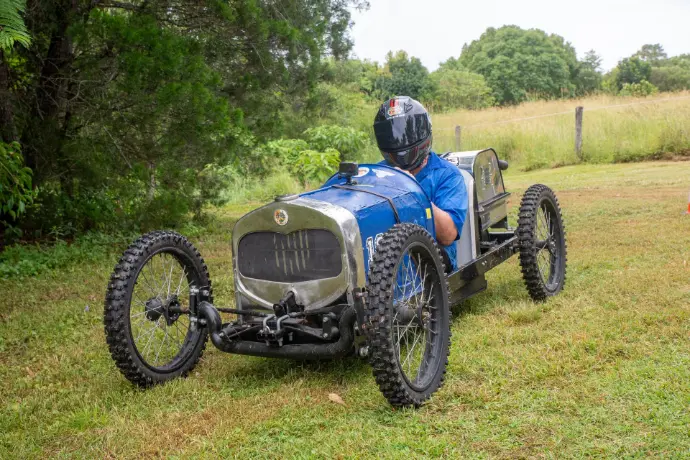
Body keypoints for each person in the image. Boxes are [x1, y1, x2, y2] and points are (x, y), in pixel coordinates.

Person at [373, 96, 468, 270]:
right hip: (381, 254)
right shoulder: (378, 173)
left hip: (433, 256)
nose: (399, 140)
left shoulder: (448, 175)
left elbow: (448, 235)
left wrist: (411, 188)